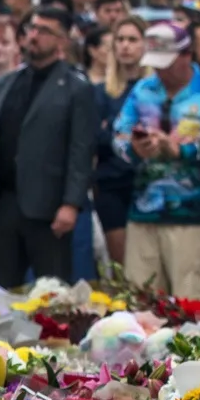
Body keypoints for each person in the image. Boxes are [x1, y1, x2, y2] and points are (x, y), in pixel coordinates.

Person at [0, 6, 95, 286]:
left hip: (48, 207)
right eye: (31, 29)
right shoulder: (2, 85)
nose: (34, 36)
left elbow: (80, 151)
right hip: (0, 202)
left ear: (62, 41)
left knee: (51, 293)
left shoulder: (75, 87)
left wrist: (71, 204)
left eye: (44, 31)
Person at [112, 22, 200, 298]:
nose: (160, 71)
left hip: (192, 216)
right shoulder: (142, 90)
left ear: (186, 54)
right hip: (143, 213)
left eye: (166, 63)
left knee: (192, 304)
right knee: (140, 302)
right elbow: (118, 136)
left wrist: (183, 151)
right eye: (155, 64)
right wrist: (134, 149)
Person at [86, 19, 147, 269]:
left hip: (149, 183)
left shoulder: (155, 90)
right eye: (120, 40)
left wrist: (111, 127)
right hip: (112, 184)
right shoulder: (100, 92)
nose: (125, 46)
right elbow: (94, 138)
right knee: (122, 268)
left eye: (132, 40)